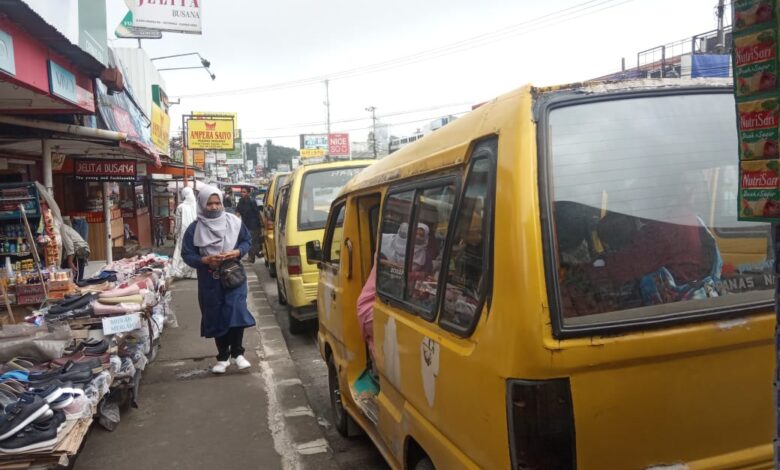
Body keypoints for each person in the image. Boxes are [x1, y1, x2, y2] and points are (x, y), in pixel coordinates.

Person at [181, 185, 256, 374]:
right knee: (215, 314)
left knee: (235, 310)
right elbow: (187, 254)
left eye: (217, 203)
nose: (214, 207)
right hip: (209, 279)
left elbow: (247, 241)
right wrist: (205, 260)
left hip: (233, 275)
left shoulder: (234, 222)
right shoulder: (194, 228)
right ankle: (222, 356)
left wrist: (236, 252)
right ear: (202, 204)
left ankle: (238, 353)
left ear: (222, 203)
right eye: (210, 203)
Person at [170, 187, 197, 279]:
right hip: (196, 232)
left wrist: (175, 233)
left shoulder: (180, 207)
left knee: (182, 252)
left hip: (184, 232)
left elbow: (178, 223)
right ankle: (193, 273)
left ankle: (180, 272)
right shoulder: (197, 205)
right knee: (195, 251)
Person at [235, 187, 261, 263]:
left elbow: (258, 213)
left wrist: (261, 224)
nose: (242, 193)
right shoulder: (240, 201)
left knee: (252, 241)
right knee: (249, 241)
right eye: (241, 192)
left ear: (248, 193)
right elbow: (238, 212)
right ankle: (255, 253)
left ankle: (251, 257)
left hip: (254, 225)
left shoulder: (252, 201)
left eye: (244, 192)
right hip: (245, 224)